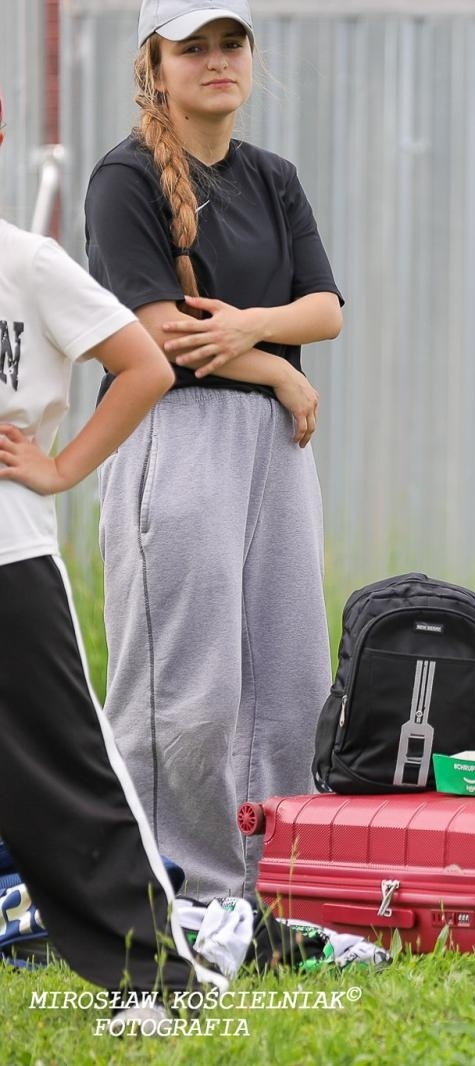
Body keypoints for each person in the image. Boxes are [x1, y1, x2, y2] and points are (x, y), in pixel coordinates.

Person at [84, 0, 343, 899]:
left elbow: (327, 310)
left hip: (276, 452)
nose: (217, 60)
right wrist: (280, 371)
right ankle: (166, 891)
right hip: (175, 436)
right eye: (193, 47)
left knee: (290, 681)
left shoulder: (273, 177)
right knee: (185, 689)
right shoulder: (125, 179)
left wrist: (263, 342)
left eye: (232, 43)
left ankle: (278, 893)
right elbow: (160, 335)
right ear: (155, 66)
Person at [0, 83, 226, 1000]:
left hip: (8, 561)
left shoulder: (27, 262)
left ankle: (158, 976)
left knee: (65, 779)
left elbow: (143, 364)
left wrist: (60, 469)